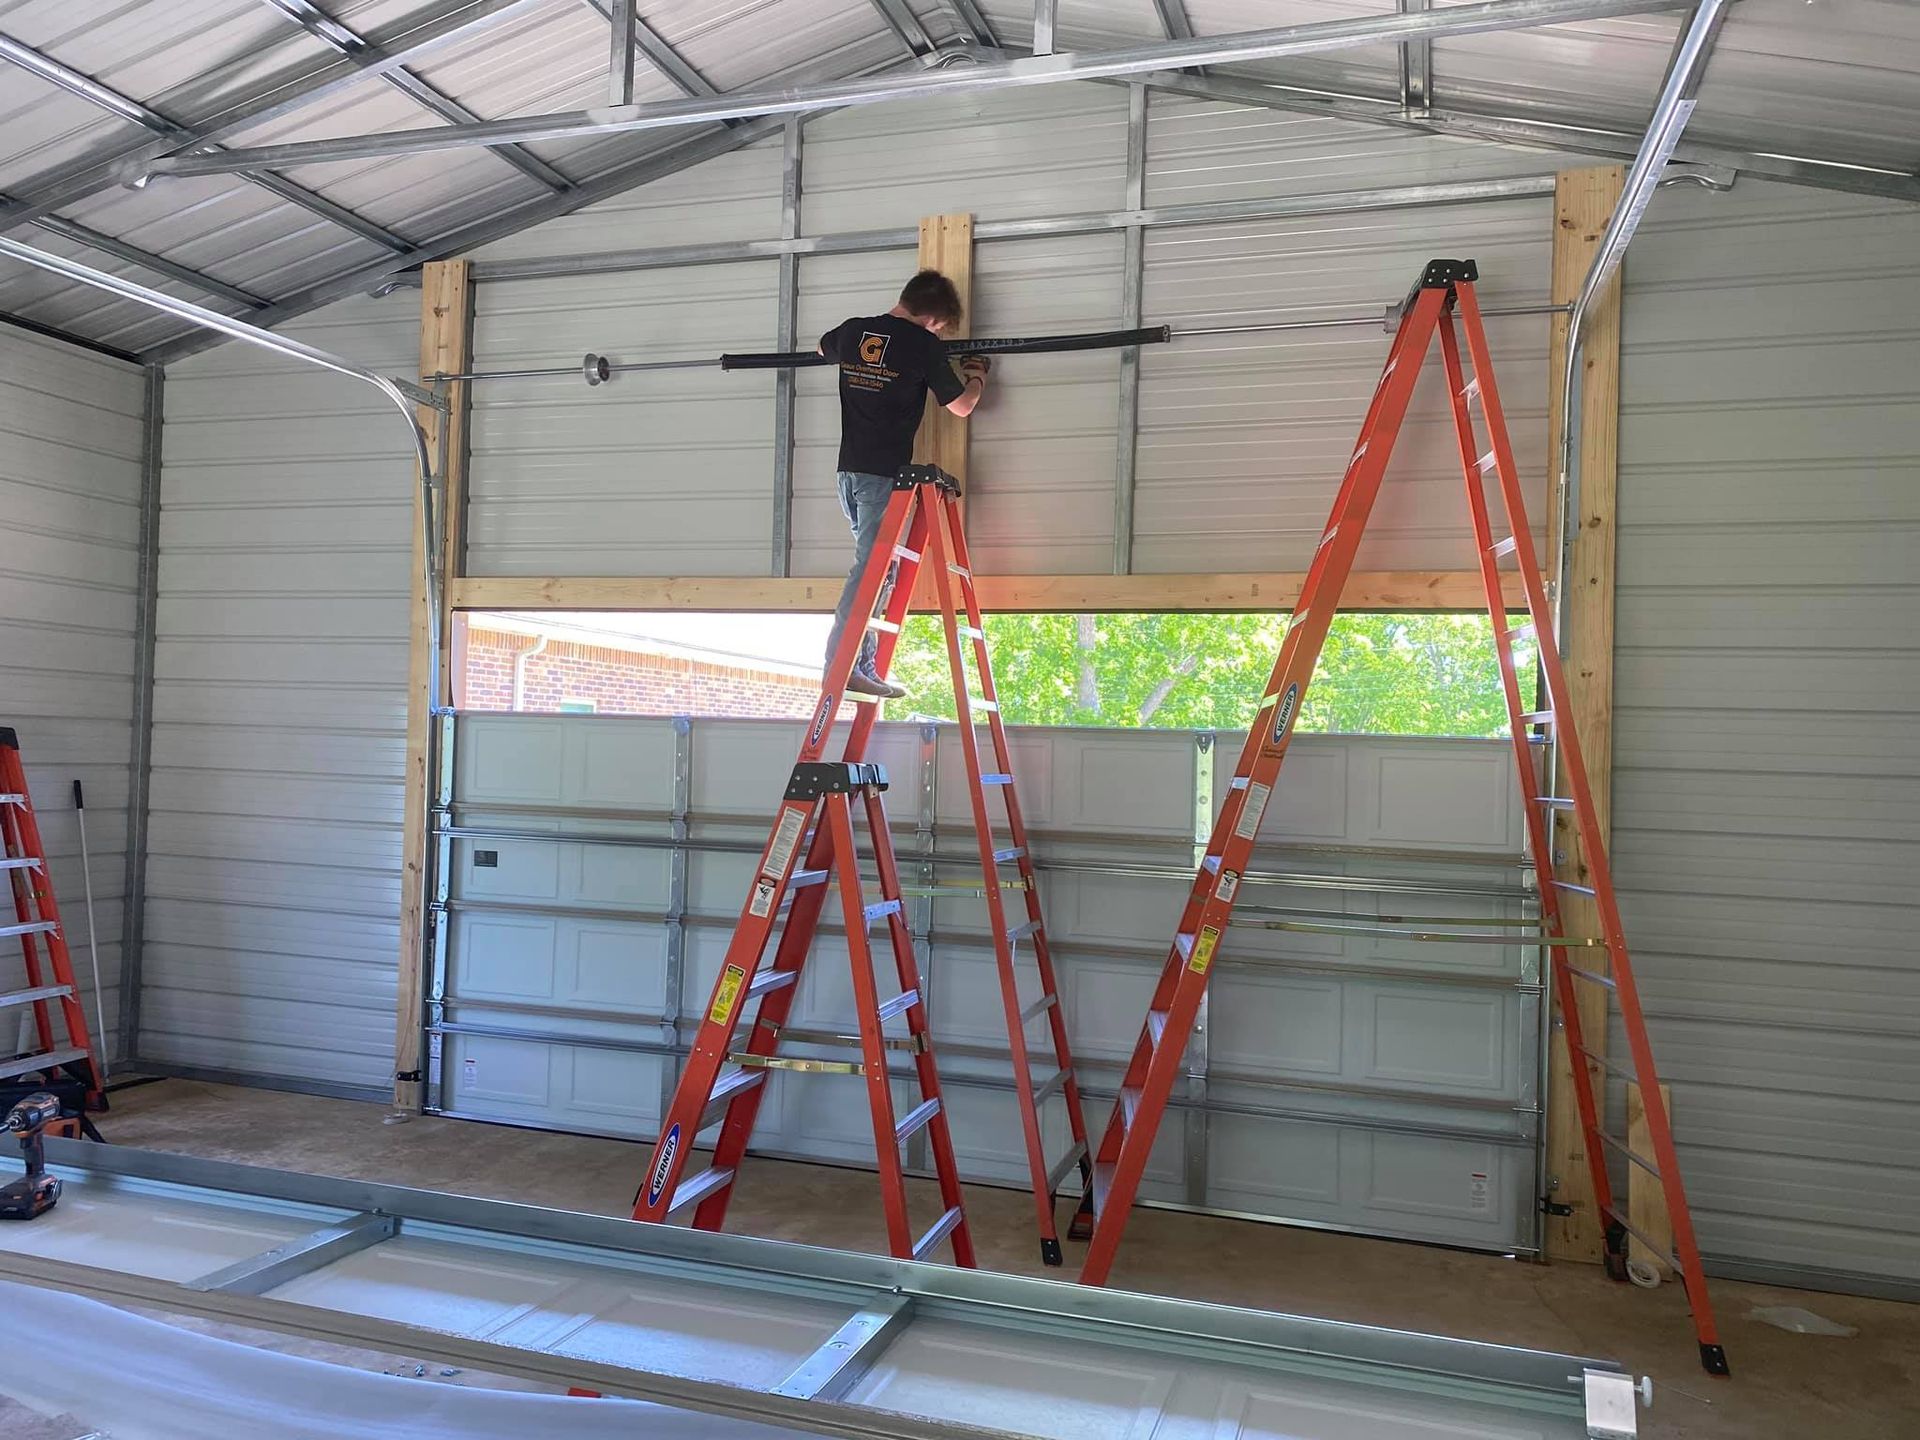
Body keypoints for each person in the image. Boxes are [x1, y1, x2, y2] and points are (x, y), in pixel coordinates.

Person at [817, 269, 990, 698]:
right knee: (869, 572)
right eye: (941, 327)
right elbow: (962, 406)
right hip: (881, 476)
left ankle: (862, 664)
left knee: (881, 571)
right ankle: (841, 667)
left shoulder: (854, 331)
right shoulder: (922, 345)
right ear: (932, 319)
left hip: (848, 473)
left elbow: (823, 347)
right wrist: (977, 376)